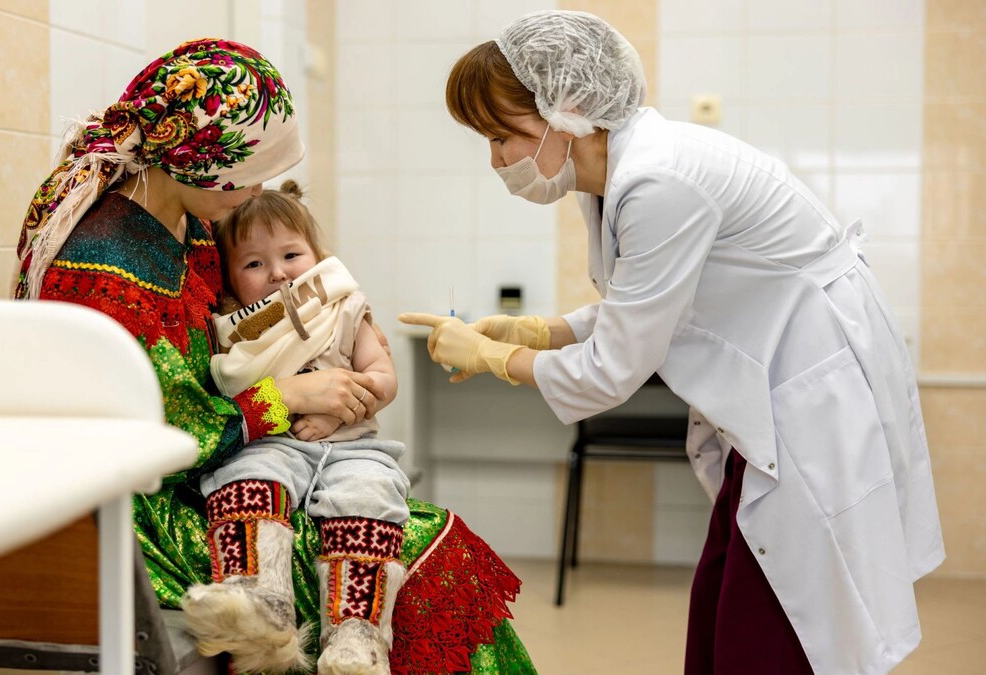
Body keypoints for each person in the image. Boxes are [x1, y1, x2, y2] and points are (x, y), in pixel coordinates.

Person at [400, 10, 944, 674]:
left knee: (773, 618)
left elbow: (613, 370)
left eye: (502, 135)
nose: (495, 159)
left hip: (807, 390)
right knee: (723, 596)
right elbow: (644, 303)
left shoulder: (660, 178)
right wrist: (545, 330)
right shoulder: (608, 174)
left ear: (566, 110)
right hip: (772, 391)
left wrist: (496, 358)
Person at [14, 38, 533, 674]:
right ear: (201, 159)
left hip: (233, 454)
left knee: (409, 527)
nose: (256, 191)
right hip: (147, 504)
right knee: (427, 561)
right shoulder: (103, 267)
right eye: (246, 175)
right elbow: (156, 435)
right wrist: (288, 398)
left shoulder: (193, 222)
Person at [181, 181, 410, 674]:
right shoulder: (229, 331)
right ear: (228, 279)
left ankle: (358, 637)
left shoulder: (344, 308)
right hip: (272, 443)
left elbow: (383, 378)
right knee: (243, 477)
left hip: (351, 448)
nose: (279, 273)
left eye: (291, 254)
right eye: (254, 264)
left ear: (318, 256)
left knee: (373, 494)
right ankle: (258, 604)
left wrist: (338, 409)